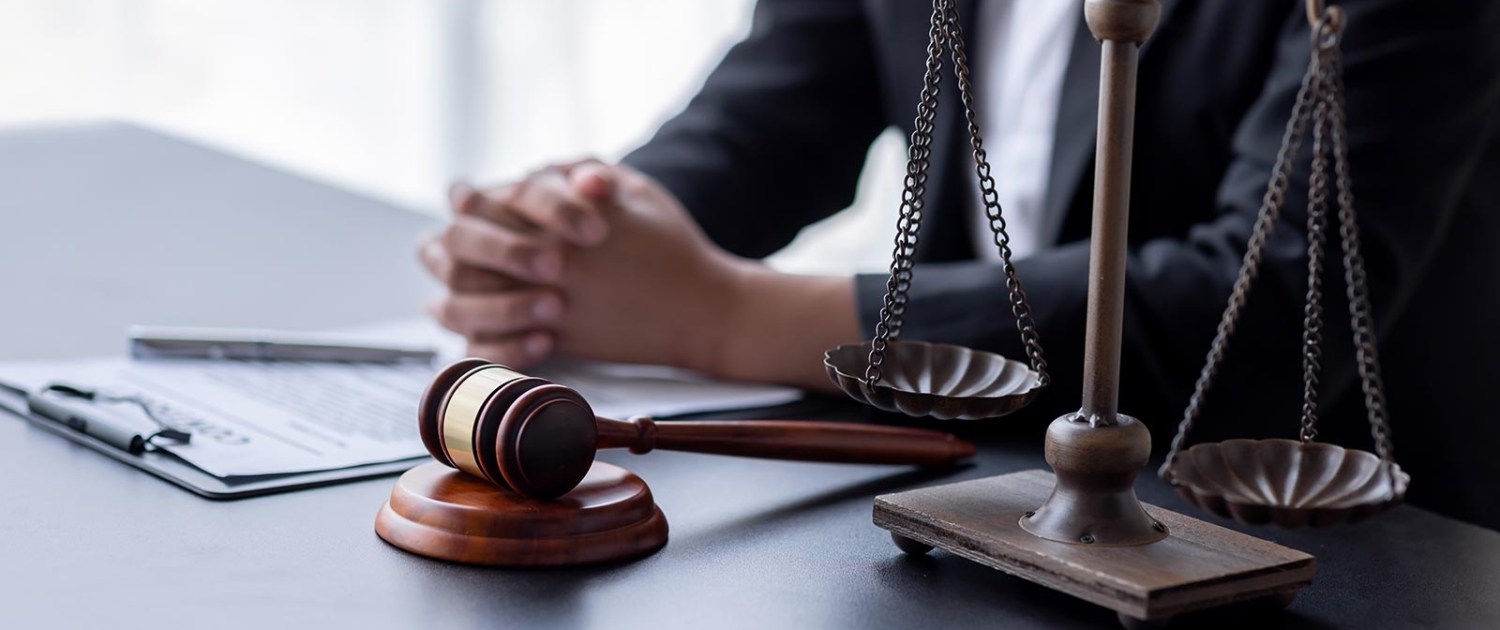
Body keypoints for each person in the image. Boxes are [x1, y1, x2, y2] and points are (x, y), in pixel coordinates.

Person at [418, 0, 1500, 529]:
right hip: (974, 492)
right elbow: (788, 94)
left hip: (1308, 536)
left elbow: (1263, 301)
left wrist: (718, 316)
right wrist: (579, 234)